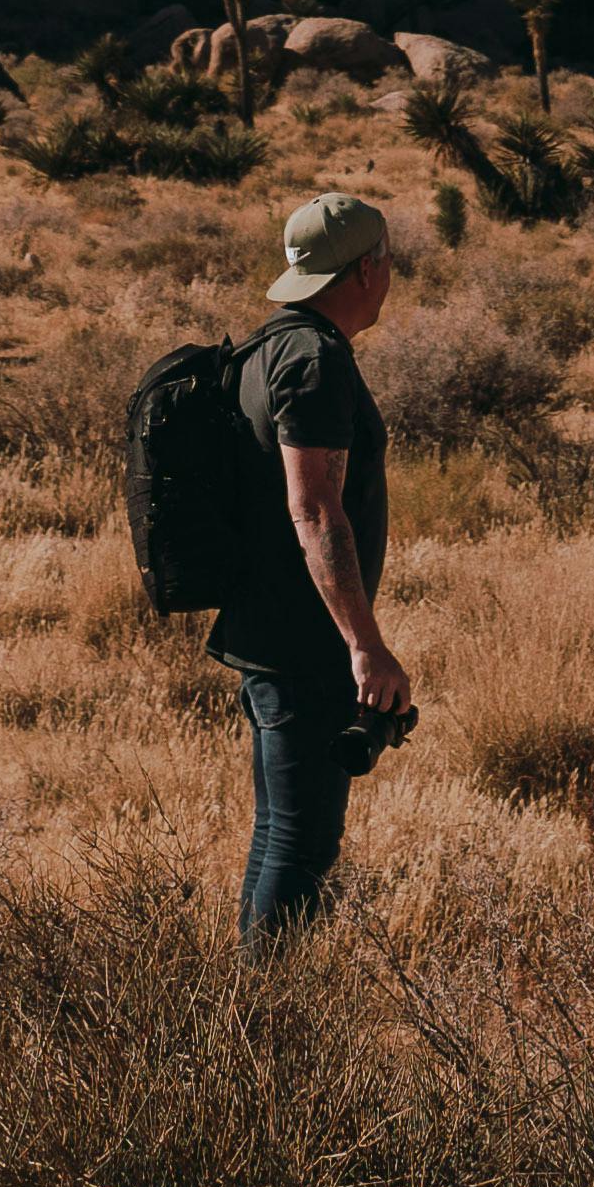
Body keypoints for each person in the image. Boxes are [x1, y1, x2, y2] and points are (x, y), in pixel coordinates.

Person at [213, 186, 415, 940]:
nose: (389, 276)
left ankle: (248, 1009)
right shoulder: (314, 361)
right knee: (302, 846)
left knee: (279, 834)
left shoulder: (271, 344)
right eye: (388, 262)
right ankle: (268, 1022)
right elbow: (316, 508)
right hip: (305, 642)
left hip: (269, 627)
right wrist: (364, 645)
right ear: (365, 269)